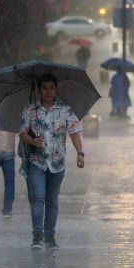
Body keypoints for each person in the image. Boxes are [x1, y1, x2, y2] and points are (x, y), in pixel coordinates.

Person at [19, 73, 85, 251]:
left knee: (52, 201)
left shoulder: (66, 110)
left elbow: (74, 133)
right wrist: (32, 141)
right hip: (36, 162)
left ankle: (50, 238)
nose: (48, 92)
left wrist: (80, 153)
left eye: (51, 88)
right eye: (44, 88)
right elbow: (23, 132)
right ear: (39, 90)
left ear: (56, 89)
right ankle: (37, 238)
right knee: (38, 198)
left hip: (58, 163)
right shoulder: (30, 110)